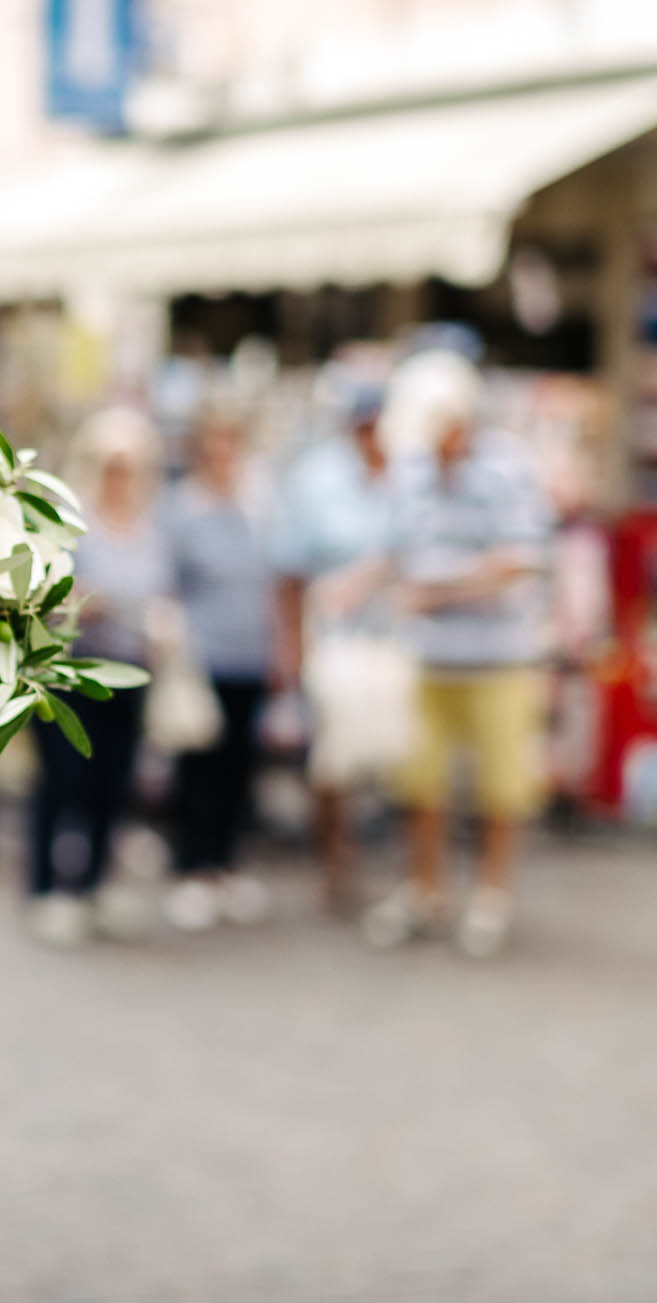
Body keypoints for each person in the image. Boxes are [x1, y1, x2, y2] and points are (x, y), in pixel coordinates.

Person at [363, 347, 554, 958]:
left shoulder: (508, 470)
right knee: (422, 784)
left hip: (499, 658)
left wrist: (440, 589)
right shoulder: (413, 474)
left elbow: (520, 560)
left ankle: (491, 898)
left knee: (502, 787)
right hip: (431, 657)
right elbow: (400, 550)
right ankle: (426, 892)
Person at [22, 406, 166, 947]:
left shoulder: (150, 527)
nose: (120, 476)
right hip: (69, 669)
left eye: (129, 466)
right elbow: (48, 588)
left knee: (114, 781)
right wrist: (88, 602)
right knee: (61, 780)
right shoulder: (69, 520)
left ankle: (94, 883)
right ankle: (45, 888)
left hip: (130, 671)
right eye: (112, 465)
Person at [268, 375, 398, 915]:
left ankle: (403, 873)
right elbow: (290, 573)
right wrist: (291, 651)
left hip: (399, 640)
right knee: (334, 759)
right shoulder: (317, 478)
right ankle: (337, 864)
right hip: (337, 641)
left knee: (397, 753)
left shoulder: (411, 474)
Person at [156, 401, 275, 933]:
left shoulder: (260, 502)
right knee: (198, 766)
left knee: (239, 766)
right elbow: (170, 583)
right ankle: (190, 866)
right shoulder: (183, 509)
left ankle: (227, 861)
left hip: (252, 655)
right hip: (203, 657)